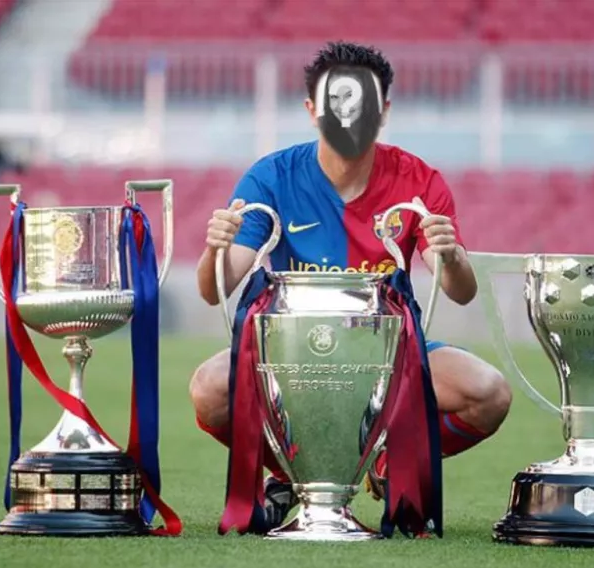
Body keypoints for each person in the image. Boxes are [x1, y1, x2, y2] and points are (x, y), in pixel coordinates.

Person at [190, 41, 512, 532]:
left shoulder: (418, 180)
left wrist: (452, 256)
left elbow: (460, 290)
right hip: (293, 357)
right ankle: (288, 475)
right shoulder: (271, 177)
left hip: (392, 358)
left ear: (383, 111)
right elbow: (215, 289)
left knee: (488, 394)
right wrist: (214, 249)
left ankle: (388, 462)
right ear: (312, 109)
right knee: (209, 390)